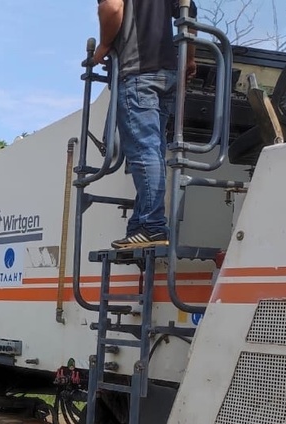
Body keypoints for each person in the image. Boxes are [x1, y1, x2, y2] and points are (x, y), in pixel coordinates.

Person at [92, 0, 199, 249]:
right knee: (153, 152)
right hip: (168, 74)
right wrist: (189, 58)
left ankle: (152, 226)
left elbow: (112, 7)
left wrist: (106, 44)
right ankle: (140, 226)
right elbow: (188, 14)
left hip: (137, 73)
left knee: (144, 153)